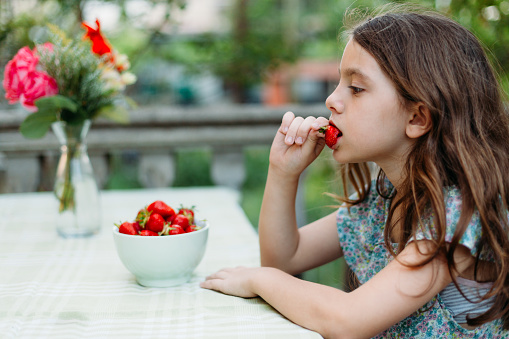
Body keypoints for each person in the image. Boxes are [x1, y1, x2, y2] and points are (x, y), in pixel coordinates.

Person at [200, 4, 509, 338]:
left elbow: (347, 320)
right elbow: (284, 258)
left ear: (417, 118)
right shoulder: (381, 201)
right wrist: (283, 172)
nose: (332, 100)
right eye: (338, 84)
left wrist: (260, 279)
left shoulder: (457, 215)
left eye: (356, 88)